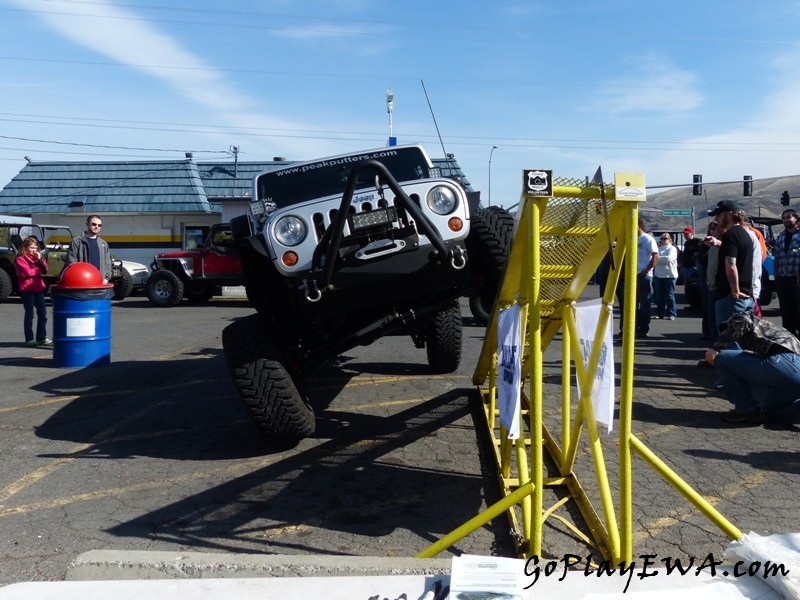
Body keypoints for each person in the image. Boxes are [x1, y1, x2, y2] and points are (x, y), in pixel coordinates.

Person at [705, 311, 800, 425]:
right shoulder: (772, 332)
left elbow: (743, 320)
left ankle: (746, 410)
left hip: (782, 362)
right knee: (772, 412)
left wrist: (716, 348)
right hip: (792, 370)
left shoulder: (747, 320)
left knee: (722, 359)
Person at [707, 200, 754, 332]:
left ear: (729, 214)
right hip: (745, 295)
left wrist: (735, 291)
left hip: (731, 298)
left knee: (729, 341)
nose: (716, 218)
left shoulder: (730, 235)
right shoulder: (744, 234)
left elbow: (731, 265)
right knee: (742, 338)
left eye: (719, 215)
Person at [14, 237, 52, 347]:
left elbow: (45, 269)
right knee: (29, 314)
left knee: (42, 313)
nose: (34, 250)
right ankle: (29, 339)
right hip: (27, 290)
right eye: (32, 248)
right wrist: (38, 270)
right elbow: (27, 272)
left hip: (38, 288)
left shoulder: (37, 258)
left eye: (36, 248)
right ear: (25, 248)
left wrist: (40, 260)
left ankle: (41, 337)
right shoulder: (20, 259)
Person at [773, 208, 800, 337]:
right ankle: (789, 337)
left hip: (796, 277)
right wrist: (776, 275)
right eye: (784, 218)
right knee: (786, 310)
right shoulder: (781, 236)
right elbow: (777, 256)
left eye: (789, 217)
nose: (786, 220)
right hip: (783, 277)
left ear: (796, 219)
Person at [66, 215, 112, 283]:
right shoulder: (77, 242)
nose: (97, 227)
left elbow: (108, 263)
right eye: (94, 224)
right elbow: (71, 262)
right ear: (87, 224)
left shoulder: (103, 244)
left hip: (100, 283)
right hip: (83, 282)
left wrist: (106, 278)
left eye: (99, 225)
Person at [653, 232, 678, 320]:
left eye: (665, 238)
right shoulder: (658, 249)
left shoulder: (672, 249)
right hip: (658, 275)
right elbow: (653, 258)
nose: (663, 240)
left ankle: (672, 313)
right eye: (662, 239)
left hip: (670, 275)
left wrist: (658, 259)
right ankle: (660, 313)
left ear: (669, 239)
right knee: (659, 296)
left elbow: (669, 258)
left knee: (669, 296)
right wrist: (660, 259)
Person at [681, 226, 703, 309]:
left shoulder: (697, 241)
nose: (685, 236)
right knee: (688, 286)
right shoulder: (686, 243)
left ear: (691, 233)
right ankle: (691, 303)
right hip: (686, 266)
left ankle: (696, 304)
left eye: (687, 234)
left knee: (693, 285)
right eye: (684, 234)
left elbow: (699, 253)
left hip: (693, 267)